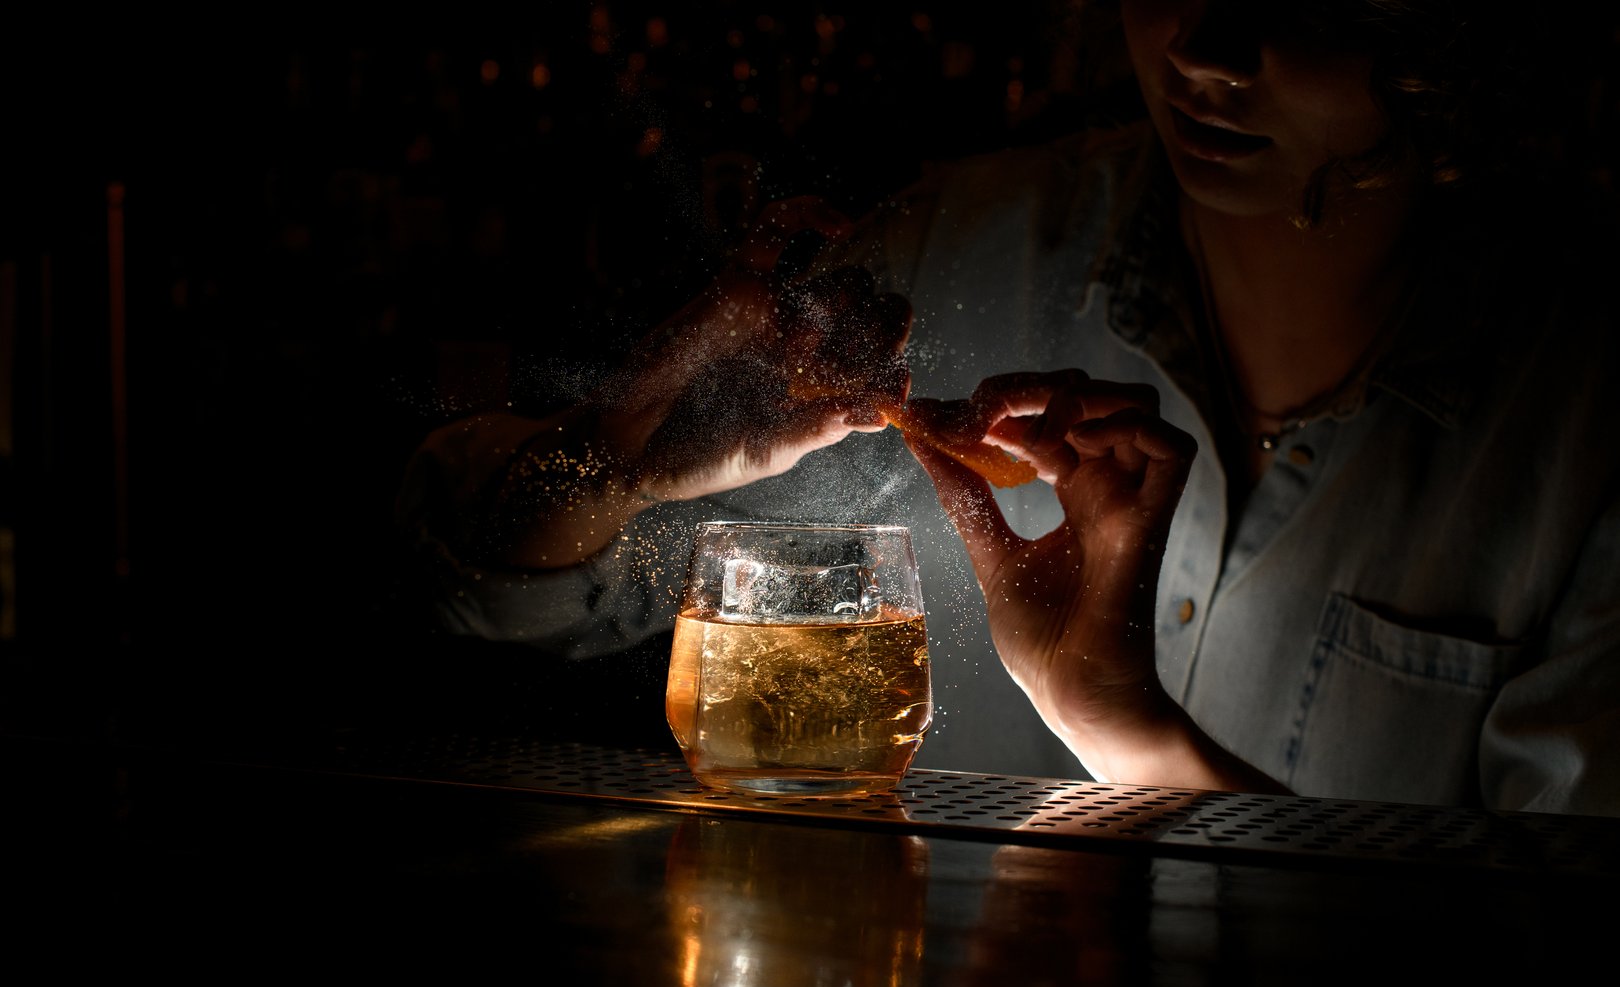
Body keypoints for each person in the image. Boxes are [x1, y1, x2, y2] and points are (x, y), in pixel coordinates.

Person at [394, 1, 1620, 815]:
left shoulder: (1575, 421)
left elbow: (1527, 937)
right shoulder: (953, 257)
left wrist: (1123, 732)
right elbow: (493, 596)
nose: (1208, 45)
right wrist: (616, 463)